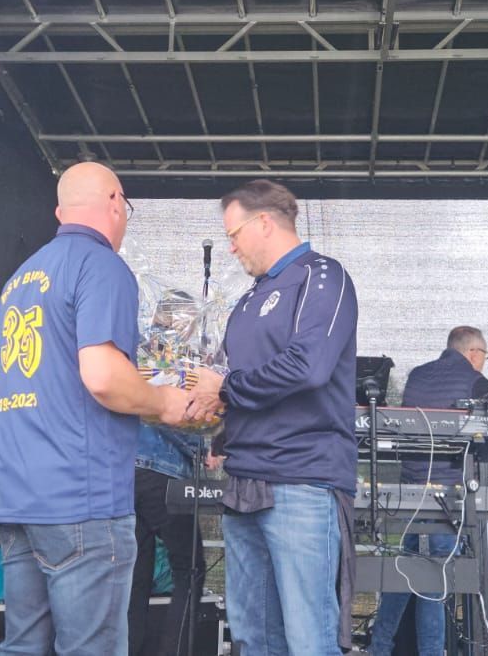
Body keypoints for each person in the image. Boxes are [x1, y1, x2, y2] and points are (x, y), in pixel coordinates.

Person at [0, 162, 192, 656]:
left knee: (23, 647)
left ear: (61, 212)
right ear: (116, 201)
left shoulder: (19, 279)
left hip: (16, 496)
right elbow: (103, 377)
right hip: (80, 496)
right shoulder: (102, 265)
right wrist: (164, 401)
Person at [184, 180, 358, 656]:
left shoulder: (322, 276)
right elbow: (235, 380)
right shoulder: (247, 300)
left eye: (234, 234)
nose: (231, 247)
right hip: (244, 481)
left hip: (301, 480)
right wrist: (205, 412)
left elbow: (308, 366)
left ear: (263, 222)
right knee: (252, 636)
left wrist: (224, 388)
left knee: (309, 639)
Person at [368, 326, 488, 656]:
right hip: (446, 499)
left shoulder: (417, 376)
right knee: (435, 582)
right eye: (484, 356)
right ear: (473, 353)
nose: (483, 361)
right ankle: (432, 653)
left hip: (408, 496)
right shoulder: (473, 380)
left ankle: (379, 647)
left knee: (402, 575)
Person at [130, 291, 209, 656]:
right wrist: (203, 448)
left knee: (135, 575)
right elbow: (168, 414)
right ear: (182, 320)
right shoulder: (171, 357)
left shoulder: (134, 353)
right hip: (162, 475)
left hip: (126, 473)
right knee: (190, 569)